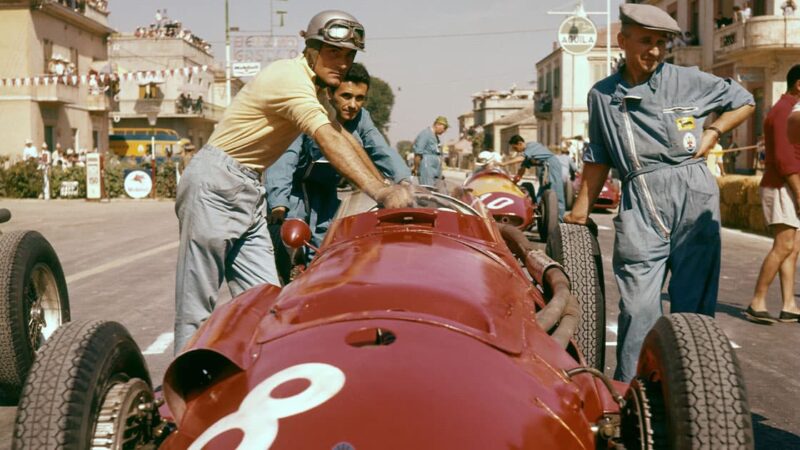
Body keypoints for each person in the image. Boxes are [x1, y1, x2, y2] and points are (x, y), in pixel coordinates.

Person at [173, 10, 412, 354]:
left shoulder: (315, 92)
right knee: (197, 306)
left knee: (268, 301)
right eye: (333, 52)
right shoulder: (289, 78)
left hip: (249, 185)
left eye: (348, 55)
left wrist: (390, 185)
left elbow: (346, 139)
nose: (342, 63)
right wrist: (380, 191)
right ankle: (175, 397)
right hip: (216, 181)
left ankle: (262, 383)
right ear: (311, 48)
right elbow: (327, 138)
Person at [566, 4, 755, 382]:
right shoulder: (602, 95)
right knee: (637, 307)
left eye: (661, 43)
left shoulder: (689, 79)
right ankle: (629, 395)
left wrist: (714, 131)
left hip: (693, 192)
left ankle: (691, 392)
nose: (654, 50)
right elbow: (599, 154)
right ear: (623, 41)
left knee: (693, 308)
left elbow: (745, 101)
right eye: (646, 41)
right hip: (639, 199)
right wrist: (579, 210)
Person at [265, 62, 411, 283]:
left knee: (325, 244)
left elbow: (381, 149)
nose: (353, 105)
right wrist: (278, 202)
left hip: (326, 191)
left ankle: (318, 289)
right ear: (331, 94)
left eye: (359, 98)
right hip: (295, 191)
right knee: (292, 245)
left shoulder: (362, 119)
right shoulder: (311, 111)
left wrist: (405, 181)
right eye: (346, 96)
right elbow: (287, 156)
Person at [745, 65, 800, 324]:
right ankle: (757, 301)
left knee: (792, 247)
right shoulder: (784, 112)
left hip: (787, 184)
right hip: (782, 185)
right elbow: (783, 157)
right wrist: (798, 192)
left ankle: (789, 304)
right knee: (784, 246)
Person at [501, 135, 566, 218]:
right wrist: (514, 182)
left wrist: (504, 164)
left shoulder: (531, 146)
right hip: (544, 169)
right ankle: (541, 213)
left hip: (552, 165)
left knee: (555, 190)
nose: (515, 151)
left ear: (520, 143)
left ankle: (559, 219)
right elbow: (522, 168)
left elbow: (520, 159)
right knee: (542, 192)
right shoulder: (527, 154)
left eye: (515, 148)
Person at [412, 116, 448, 187]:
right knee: (428, 189)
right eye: (444, 128)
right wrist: (415, 168)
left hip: (436, 167)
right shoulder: (425, 134)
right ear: (437, 125)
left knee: (437, 189)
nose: (444, 131)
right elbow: (418, 153)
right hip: (427, 165)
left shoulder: (436, 137)